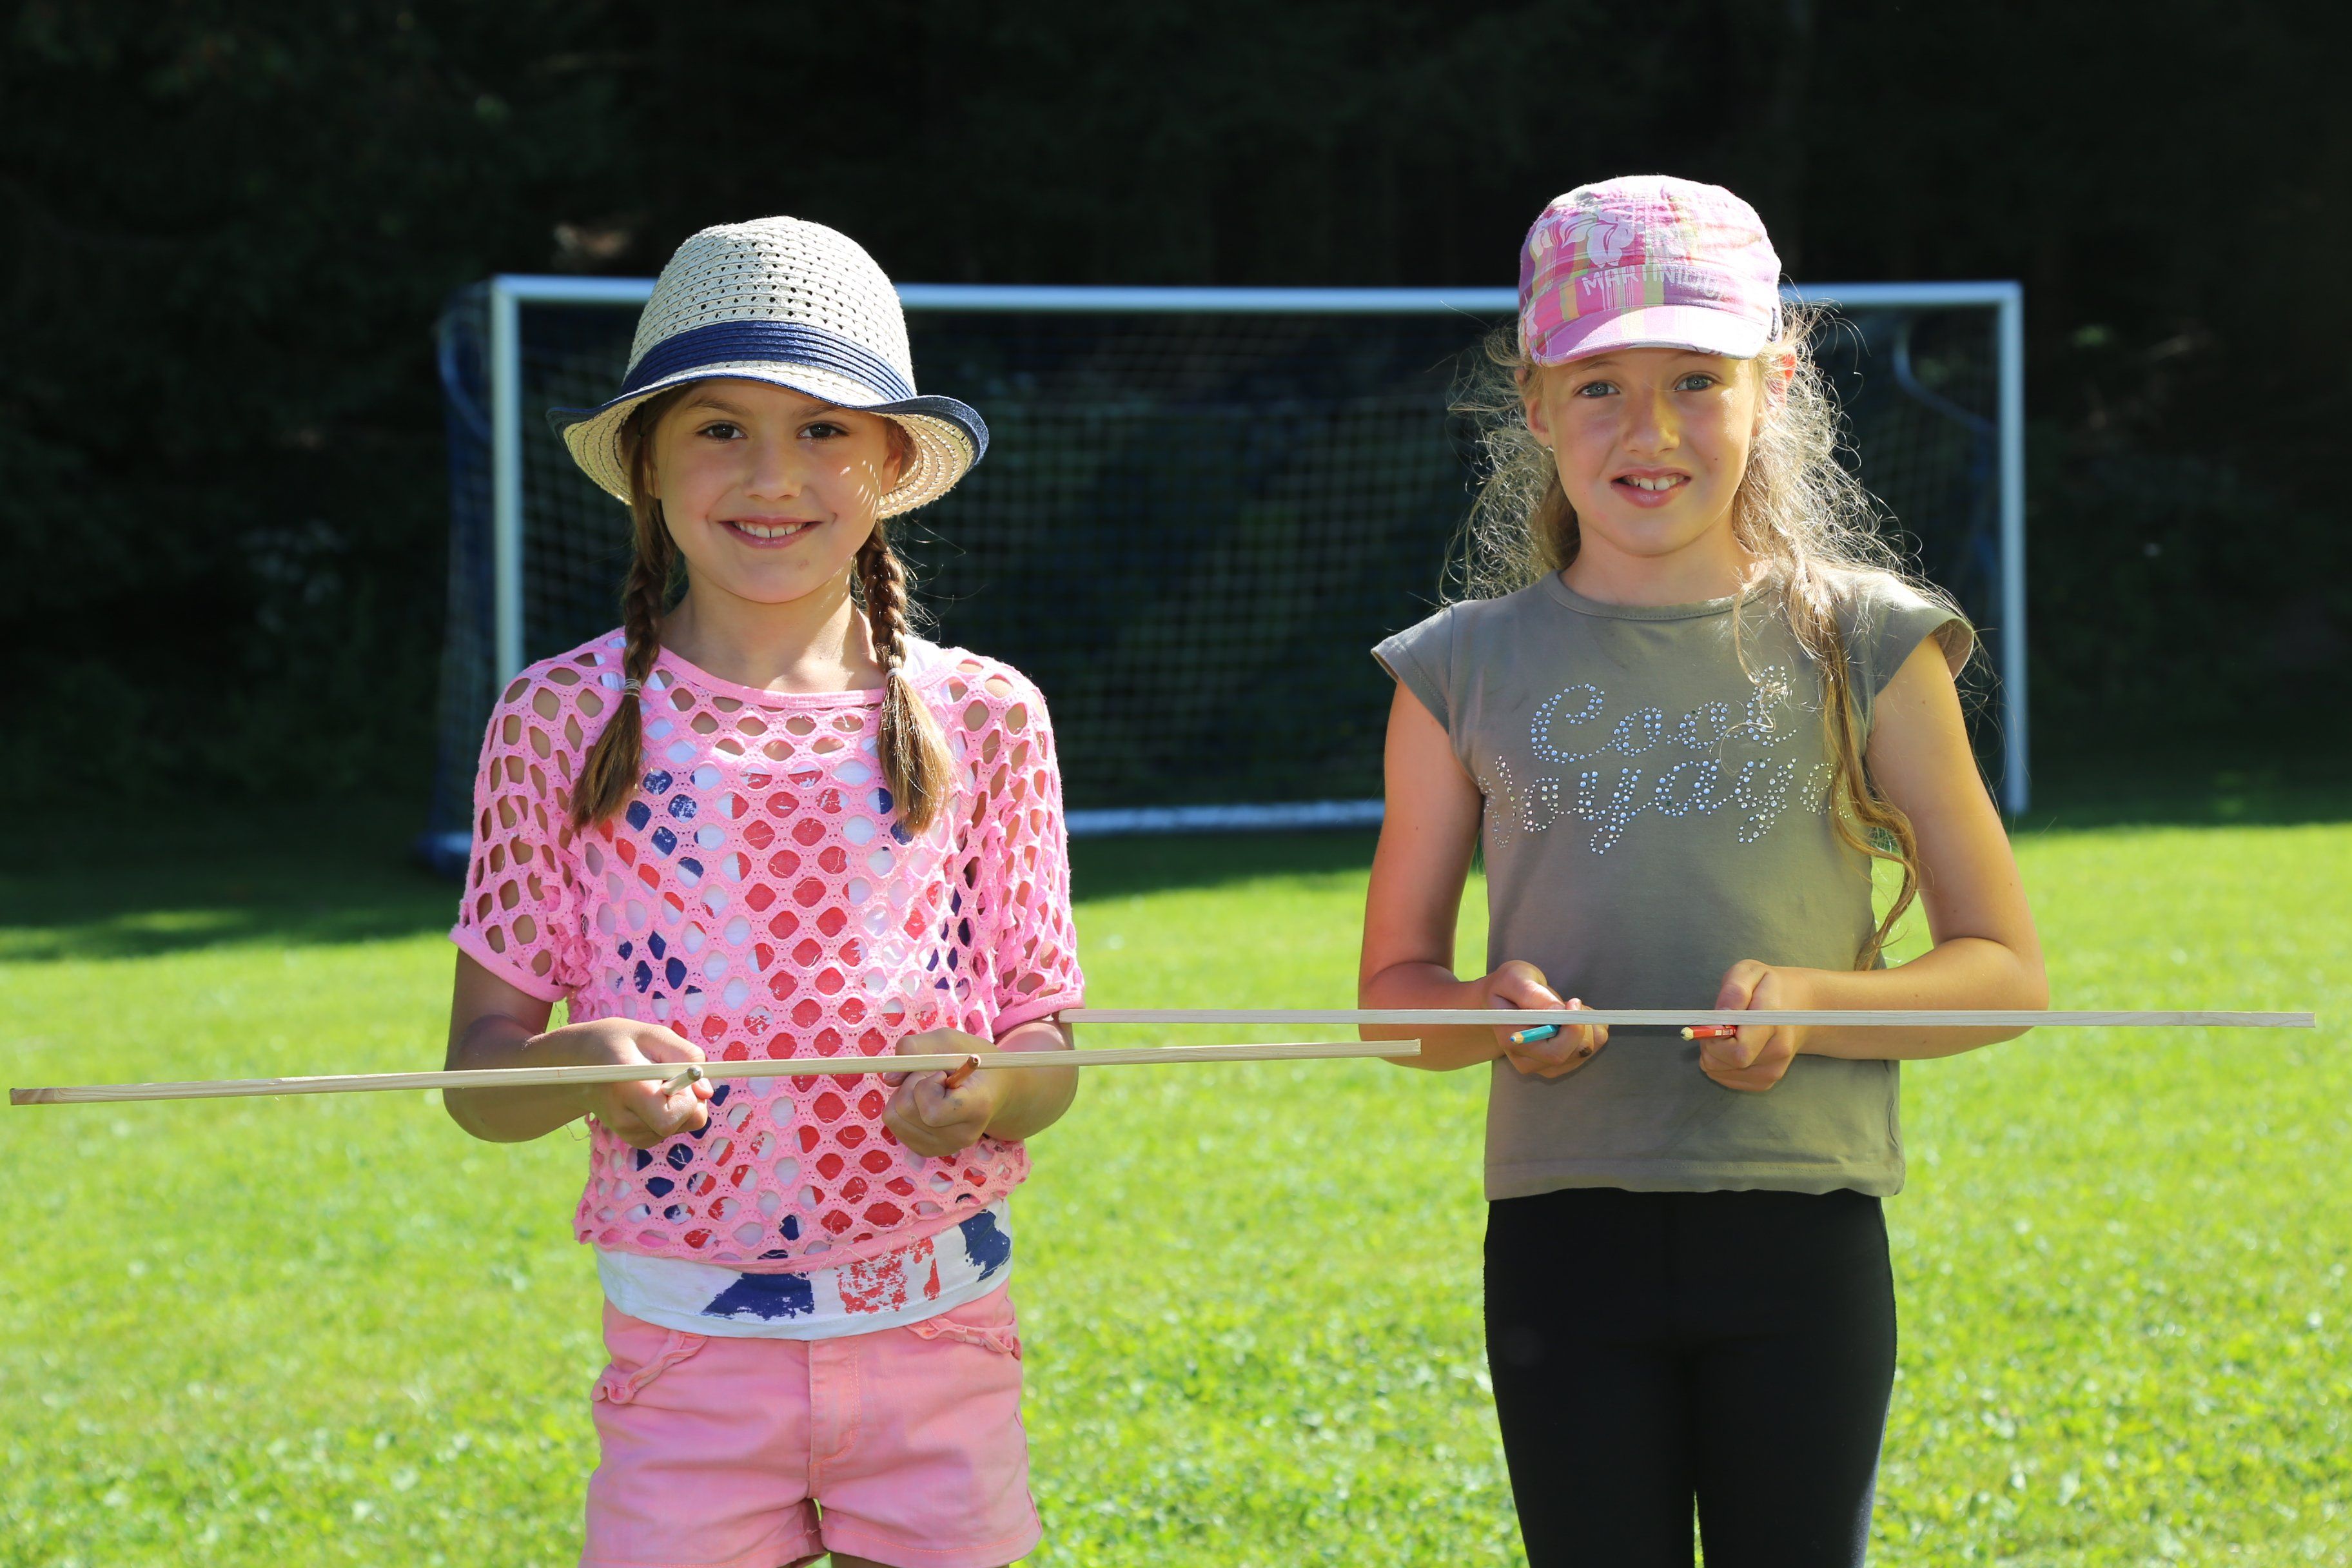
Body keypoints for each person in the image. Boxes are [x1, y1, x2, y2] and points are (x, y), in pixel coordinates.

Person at [1358, 175, 2046, 1566]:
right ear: (1534, 402)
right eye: (1599, 387)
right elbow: (1395, 1004)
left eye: (1694, 379)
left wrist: (1814, 1002)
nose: (1650, 429)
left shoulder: (1871, 643)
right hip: (1563, 1247)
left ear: (1774, 383)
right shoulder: (1455, 670)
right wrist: (1486, 1008)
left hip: (1803, 1239)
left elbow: (2006, 976)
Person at [442, 216, 1084, 1568]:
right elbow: (478, 1082)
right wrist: (578, 1064)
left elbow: (1049, 1048)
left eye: (824, 429)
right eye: (721, 428)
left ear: (892, 462)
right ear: (647, 462)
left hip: (937, 1333)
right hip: (686, 1356)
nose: (773, 475)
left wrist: (990, 1088)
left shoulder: (989, 715)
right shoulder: (557, 719)